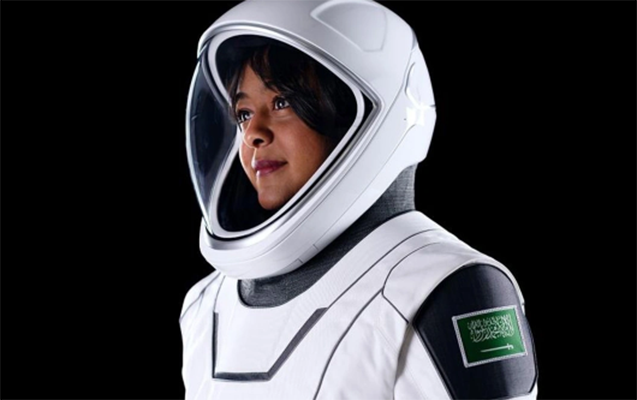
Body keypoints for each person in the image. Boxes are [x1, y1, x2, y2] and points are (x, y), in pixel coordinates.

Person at [179, 1, 539, 399]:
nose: (252, 134)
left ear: (358, 113)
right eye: (244, 113)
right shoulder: (205, 306)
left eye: (282, 103)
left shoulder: (451, 290)